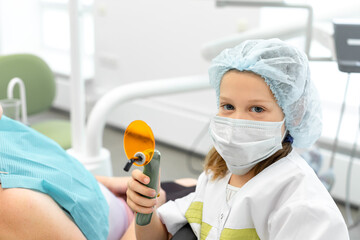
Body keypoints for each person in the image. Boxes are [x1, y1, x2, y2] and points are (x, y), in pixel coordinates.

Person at [126, 39, 350, 239]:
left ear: (293, 113)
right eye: (228, 106)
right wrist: (145, 211)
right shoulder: (216, 175)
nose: (237, 122)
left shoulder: (301, 203)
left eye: (257, 108)